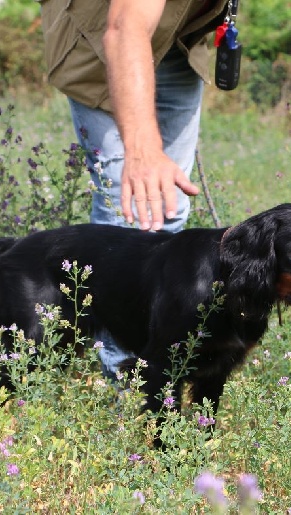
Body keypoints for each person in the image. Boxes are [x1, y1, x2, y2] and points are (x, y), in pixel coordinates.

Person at [39, 0, 233, 375]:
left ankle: (158, 368)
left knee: (169, 209)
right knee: (129, 211)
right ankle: (125, 387)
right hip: (104, 41)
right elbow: (125, 27)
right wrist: (142, 150)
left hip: (177, 42)